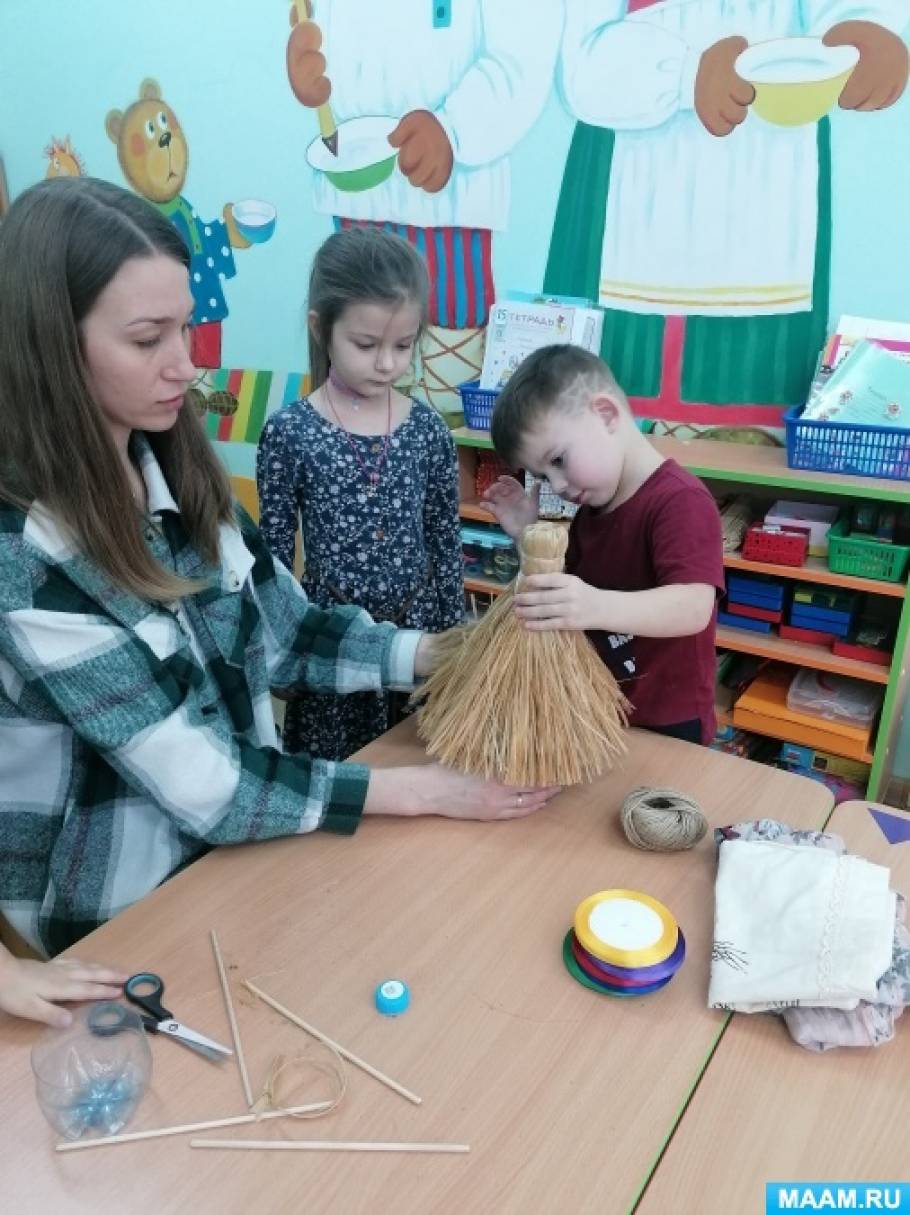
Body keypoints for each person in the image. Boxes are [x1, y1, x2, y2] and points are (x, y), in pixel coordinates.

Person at [0, 177, 558, 1027]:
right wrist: (421, 789)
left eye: (186, 327)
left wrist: (440, 652)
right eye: (149, 338)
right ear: (48, 347)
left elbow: (286, 629)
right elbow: (210, 784)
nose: (187, 364)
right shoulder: (27, 563)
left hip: (247, 848)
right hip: (128, 916)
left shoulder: (176, 474)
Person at [546, 3, 908, 426]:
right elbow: (580, 60)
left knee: (754, 421)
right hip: (630, 178)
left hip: (773, 181)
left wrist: (867, 27)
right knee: (600, 417)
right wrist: (685, 74)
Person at [257, 227, 464, 761]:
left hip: (420, 638)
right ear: (320, 328)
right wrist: (277, 648)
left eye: (403, 345)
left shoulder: (427, 430)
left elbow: (444, 539)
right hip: (331, 645)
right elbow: (272, 559)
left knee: (418, 769)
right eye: (366, 345)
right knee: (341, 787)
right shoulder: (289, 433)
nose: (388, 363)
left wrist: (453, 640)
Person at [482, 344, 724, 745]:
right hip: (597, 711)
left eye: (558, 461)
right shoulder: (594, 506)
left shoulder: (680, 501)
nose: (556, 486)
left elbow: (693, 607)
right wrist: (530, 534)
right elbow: (566, 589)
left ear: (606, 414)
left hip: (666, 722)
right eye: (542, 476)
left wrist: (595, 606)